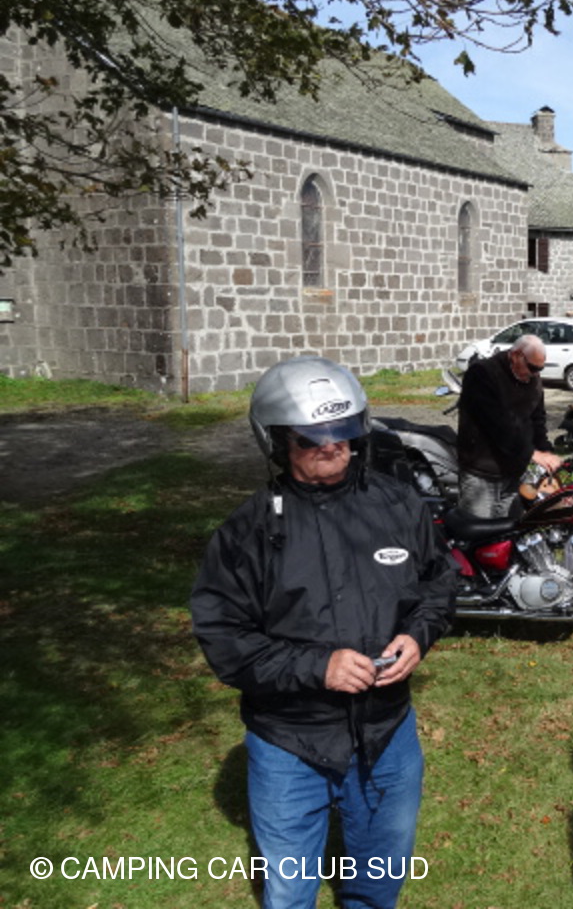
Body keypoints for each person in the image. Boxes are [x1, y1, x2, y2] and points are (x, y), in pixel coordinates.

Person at [190, 355, 457, 909]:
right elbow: (223, 638)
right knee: (289, 891)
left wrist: (418, 634)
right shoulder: (248, 531)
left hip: (386, 732)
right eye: (313, 439)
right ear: (276, 440)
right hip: (290, 740)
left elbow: (439, 583)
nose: (333, 447)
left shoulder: (397, 504)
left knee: (379, 881)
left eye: (344, 432)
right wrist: (318, 667)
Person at [456, 333, 562, 517]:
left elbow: (537, 420)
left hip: (514, 472)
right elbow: (497, 424)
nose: (535, 373)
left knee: (511, 530)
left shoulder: (533, 380)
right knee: (479, 529)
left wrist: (546, 452)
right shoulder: (482, 373)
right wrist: (532, 454)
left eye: (540, 368)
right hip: (482, 472)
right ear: (516, 355)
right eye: (532, 367)